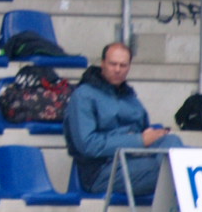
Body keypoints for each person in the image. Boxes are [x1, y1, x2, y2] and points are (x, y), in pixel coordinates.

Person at [65, 41, 185, 197]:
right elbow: (88, 145)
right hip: (102, 170)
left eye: (123, 65)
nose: (117, 70)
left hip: (135, 160)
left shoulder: (130, 98)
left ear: (129, 67)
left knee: (174, 144)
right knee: (173, 170)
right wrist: (139, 140)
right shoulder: (83, 96)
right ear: (102, 63)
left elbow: (144, 131)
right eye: (113, 64)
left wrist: (155, 135)